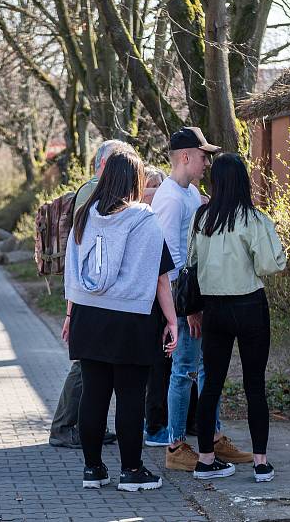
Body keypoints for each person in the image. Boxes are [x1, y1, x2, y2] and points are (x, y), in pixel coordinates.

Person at [63, 145, 178, 492]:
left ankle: (93, 469)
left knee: (94, 394)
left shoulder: (83, 214)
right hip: (131, 317)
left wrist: (70, 313)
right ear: (135, 180)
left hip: (87, 313)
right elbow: (159, 278)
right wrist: (172, 322)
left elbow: (72, 265)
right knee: (130, 396)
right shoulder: (144, 219)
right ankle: (131, 471)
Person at [152, 127, 253, 471]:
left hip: (201, 297)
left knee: (209, 370)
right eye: (202, 156)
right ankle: (177, 446)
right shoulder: (168, 198)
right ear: (185, 157)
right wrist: (190, 308)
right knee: (183, 370)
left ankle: (212, 437)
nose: (207, 162)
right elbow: (170, 259)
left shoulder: (191, 193)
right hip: (187, 301)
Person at [189, 153, 286, 482]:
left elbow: (192, 261)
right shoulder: (253, 218)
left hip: (213, 309)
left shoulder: (202, 218)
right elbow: (269, 265)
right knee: (254, 385)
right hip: (249, 306)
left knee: (211, 385)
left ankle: (205, 459)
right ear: (243, 181)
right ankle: (260, 463)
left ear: (215, 182)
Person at [49, 139, 124, 450]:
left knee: (94, 364)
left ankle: (87, 425)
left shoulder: (95, 190)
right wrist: (70, 310)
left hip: (91, 292)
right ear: (105, 164)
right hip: (89, 292)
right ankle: (63, 427)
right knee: (85, 363)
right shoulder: (92, 191)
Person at [140, 166, 172, 448]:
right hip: (151, 302)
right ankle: (155, 424)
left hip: (148, 301)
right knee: (157, 367)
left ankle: (149, 421)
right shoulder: (146, 219)